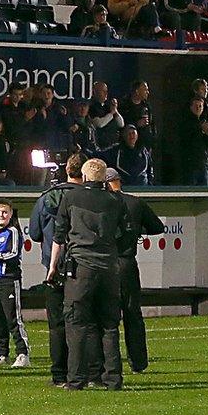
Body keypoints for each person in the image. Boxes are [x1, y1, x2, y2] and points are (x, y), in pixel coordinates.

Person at [49, 160, 130, 390]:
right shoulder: (115, 201)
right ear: (104, 178)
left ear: (84, 177)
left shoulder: (71, 198)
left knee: (76, 323)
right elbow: (126, 232)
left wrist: (53, 267)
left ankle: (76, 378)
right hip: (109, 266)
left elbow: (59, 235)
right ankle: (113, 378)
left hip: (81, 267)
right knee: (109, 324)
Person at [107, 175, 167, 379]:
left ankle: (110, 361)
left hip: (105, 264)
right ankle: (138, 361)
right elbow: (158, 227)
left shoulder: (101, 203)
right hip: (127, 263)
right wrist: (138, 230)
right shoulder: (135, 202)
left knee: (107, 316)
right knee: (133, 314)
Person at [28, 164, 73, 386]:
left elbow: (34, 232)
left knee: (56, 324)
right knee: (84, 322)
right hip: (81, 265)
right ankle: (85, 371)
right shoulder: (85, 197)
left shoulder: (45, 199)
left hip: (53, 267)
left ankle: (58, 374)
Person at [0, 199, 29, 367]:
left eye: (4, 212)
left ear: (10, 214)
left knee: (13, 318)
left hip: (9, 280)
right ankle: (2, 354)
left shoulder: (13, 232)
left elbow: (13, 254)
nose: (1, 215)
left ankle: (23, 353)